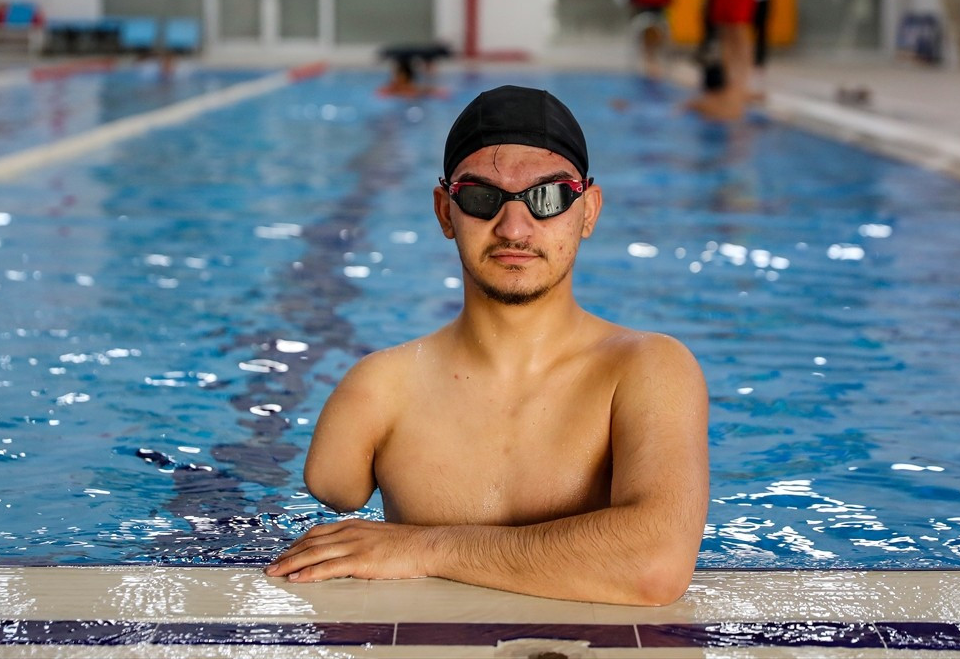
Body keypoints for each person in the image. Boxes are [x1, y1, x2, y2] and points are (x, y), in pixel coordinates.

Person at [266, 86, 709, 606]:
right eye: (481, 197)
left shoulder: (647, 368)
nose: (514, 227)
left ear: (588, 210)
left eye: (549, 197)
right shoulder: (380, 388)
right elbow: (332, 490)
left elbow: (655, 568)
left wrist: (424, 549)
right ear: (444, 211)